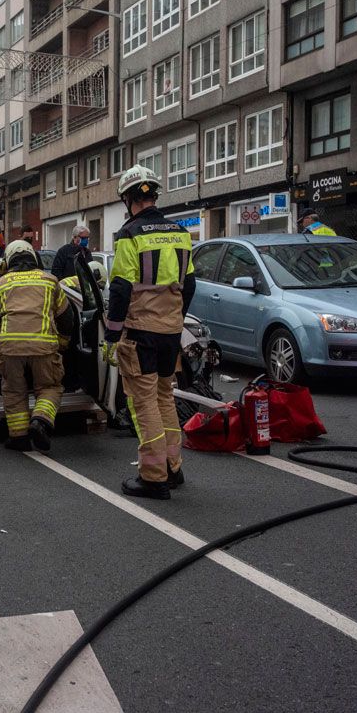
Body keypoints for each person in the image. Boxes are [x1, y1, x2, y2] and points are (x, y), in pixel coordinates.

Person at [103, 166, 196, 500]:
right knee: (164, 397)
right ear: (153, 194)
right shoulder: (180, 232)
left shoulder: (130, 235)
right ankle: (174, 467)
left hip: (141, 332)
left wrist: (112, 335)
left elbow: (121, 289)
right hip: (170, 333)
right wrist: (175, 317)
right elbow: (190, 285)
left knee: (143, 404)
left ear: (129, 199)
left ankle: (154, 477)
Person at [0, 240, 76, 453]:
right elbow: (67, 318)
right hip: (43, 349)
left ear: (8, 260)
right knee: (50, 387)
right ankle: (40, 422)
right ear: (34, 258)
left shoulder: (0, 284)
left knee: (14, 392)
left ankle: (19, 438)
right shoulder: (50, 282)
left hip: (10, 350)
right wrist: (63, 342)